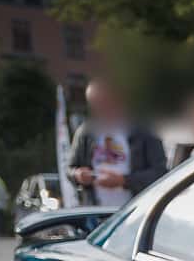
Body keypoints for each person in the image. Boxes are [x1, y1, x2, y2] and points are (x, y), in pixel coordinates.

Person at [66, 80, 167, 209]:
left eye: (104, 102)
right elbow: (70, 169)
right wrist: (77, 175)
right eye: (95, 104)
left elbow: (160, 173)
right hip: (95, 214)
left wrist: (124, 181)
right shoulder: (85, 132)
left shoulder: (144, 130)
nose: (100, 109)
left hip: (137, 212)